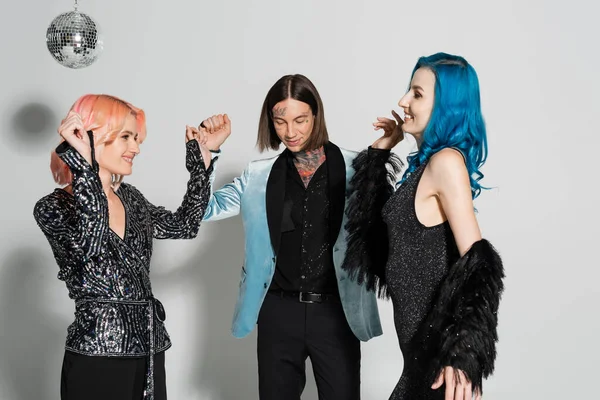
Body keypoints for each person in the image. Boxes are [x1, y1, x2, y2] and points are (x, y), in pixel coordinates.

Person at [199, 74, 382, 400]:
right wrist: (207, 154)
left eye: (300, 120)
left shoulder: (358, 167)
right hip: (278, 313)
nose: (290, 131)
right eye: (280, 121)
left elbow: (390, 222)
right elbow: (201, 211)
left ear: (316, 116)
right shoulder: (257, 176)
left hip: (336, 313)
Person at [342, 53, 505, 400]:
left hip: (436, 367)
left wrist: (461, 355)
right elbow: (375, 249)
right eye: (408, 91)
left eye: (417, 93)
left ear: (446, 106)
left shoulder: (446, 163)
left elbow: (480, 264)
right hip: (418, 364)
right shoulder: (424, 169)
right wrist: (381, 153)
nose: (403, 102)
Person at [33, 94, 217, 400]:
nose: (136, 147)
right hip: (96, 354)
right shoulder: (52, 207)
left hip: (149, 350)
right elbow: (88, 245)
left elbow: (185, 226)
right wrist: (84, 168)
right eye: (126, 137)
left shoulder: (132, 199)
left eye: (136, 138)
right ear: (91, 138)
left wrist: (202, 163)